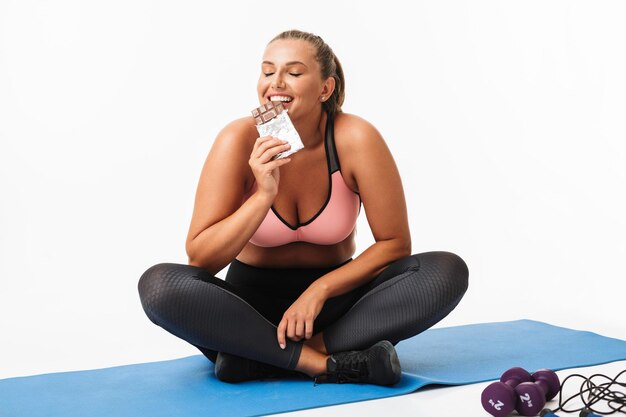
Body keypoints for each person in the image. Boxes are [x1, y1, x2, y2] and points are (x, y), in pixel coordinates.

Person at [138, 29, 469, 386]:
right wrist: (263, 194)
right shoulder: (237, 139)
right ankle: (327, 365)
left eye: (293, 73)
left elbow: (394, 245)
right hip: (249, 315)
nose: (275, 83)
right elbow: (201, 261)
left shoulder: (355, 138)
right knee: (159, 286)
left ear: (325, 89)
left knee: (445, 271)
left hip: (338, 310)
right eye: (267, 71)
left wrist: (319, 290)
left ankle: (265, 360)